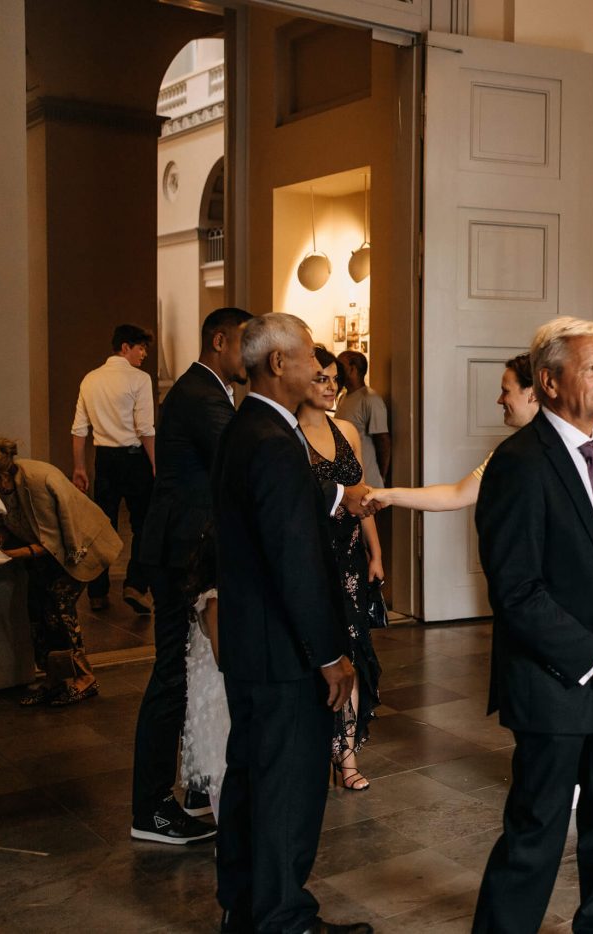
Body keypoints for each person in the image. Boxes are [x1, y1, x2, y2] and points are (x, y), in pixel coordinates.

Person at [366, 353, 593, 826]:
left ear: (535, 393)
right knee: (568, 690)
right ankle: (574, 773)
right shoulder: (512, 458)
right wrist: (388, 495)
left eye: (506, 390)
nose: (500, 399)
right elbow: (456, 494)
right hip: (551, 608)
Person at [470, 317, 593, 933]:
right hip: (554, 684)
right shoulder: (519, 464)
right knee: (536, 834)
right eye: (591, 368)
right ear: (548, 382)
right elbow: (517, 591)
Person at [212, 313, 370, 934]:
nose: (318, 366)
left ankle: (244, 908)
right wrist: (329, 654)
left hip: (252, 646)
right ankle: (282, 919)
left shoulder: (247, 428)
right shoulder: (275, 441)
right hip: (285, 653)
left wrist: (336, 498)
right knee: (287, 788)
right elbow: (294, 559)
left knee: (251, 779)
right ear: (278, 363)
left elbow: (276, 510)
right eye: (308, 355)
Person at [130, 306, 250, 845]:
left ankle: (199, 787)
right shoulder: (201, 395)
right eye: (244, 344)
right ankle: (151, 807)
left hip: (187, 550)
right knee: (172, 676)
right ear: (219, 341)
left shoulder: (208, 391)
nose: (249, 356)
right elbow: (245, 461)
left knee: (196, 672)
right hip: (178, 553)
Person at [301, 345, 384, 792]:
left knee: (351, 650)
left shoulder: (347, 430)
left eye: (334, 378)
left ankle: (346, 756)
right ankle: (315, 750)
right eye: (321, 378)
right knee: (316, 653)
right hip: (312, 558)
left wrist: (376, 553)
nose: (331, 386)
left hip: (350, 558)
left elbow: (360, 497)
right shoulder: (288, 434)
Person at [0, 436, 122, 706]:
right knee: (36, 609)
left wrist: (9, 555)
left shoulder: (35, 482)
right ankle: (54, 679)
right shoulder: (5, 488)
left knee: (58, 608)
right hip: (45, 556)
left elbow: (51, 543)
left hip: (74, 549)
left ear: (3, 477)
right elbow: (13, 520)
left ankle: (85, 678)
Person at [71, 323, 157, 613]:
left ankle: (97, 593)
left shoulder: (90, 379)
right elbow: (145, 429)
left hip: (104, 459)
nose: (144, 354)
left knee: (102, 526)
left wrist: (79, 467)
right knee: (143, 524)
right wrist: (156, 464)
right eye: (141, 348)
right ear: (125, 347)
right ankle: (135, 585)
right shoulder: (139, 379)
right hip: (134, 459)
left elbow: (79, 429)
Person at [178, 534, 229, 824]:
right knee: (222, 764)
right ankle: (229, 833)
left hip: (220, 689)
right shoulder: (214, 600)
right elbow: (223, 656)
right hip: (220, 694)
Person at [335, 350, 391, 488]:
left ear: (352, 369)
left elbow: (383, 441)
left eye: (340, 366)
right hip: (348, 480)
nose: (337, 370)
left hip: (368, 481)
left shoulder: (371, 399)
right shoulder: (343, 398)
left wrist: (381, 476)